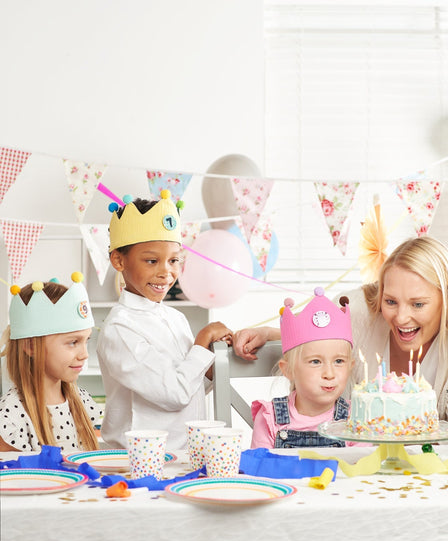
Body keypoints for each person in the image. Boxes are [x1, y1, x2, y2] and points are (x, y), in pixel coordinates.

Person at [235, 236, 448, 429]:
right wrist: (271, 332)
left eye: (418, 304)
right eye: (390, 301)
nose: (400, 318)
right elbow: (319, 332)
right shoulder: (359, 311)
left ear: (447, 300)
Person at [97, 191, 232, 450]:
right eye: (151, 261)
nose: (166, 272)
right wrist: (202, 341)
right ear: (118, 260)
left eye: (174, 260)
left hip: (182, 453)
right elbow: (174, 395)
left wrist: (211, 369)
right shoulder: (120, 328)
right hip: (140, 458)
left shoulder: (175, 317)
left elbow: (188, 388)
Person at [251, 287, 365, 448]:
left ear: (350, 366)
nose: (329, 374)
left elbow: (362, 468)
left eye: (339, 361)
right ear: (288, 370)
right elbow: (259, 468)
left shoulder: (357, 418)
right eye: (316, 362)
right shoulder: (270, 418)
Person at [0, 274, 102, 453]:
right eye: (73, 342)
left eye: (86, 341)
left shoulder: (82, 402)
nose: (84, 355)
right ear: (30, 346)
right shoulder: (11, 418)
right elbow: (14, 480)